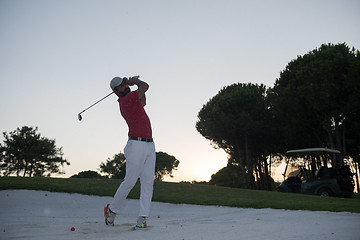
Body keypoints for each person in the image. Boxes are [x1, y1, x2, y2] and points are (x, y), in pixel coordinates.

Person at [104, 76, 156, 230]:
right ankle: (112, 210)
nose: (124, 86)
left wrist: (132, 85)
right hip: (135, 145)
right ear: (115, 92)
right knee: (130, 181)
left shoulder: (132, 98)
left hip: (149, 144)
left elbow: (144, 101)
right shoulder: (125, 101)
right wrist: (135, 82)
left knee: (148, 182)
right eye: (121, 85)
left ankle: (142, 218)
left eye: (124, 83)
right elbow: (145, 86)